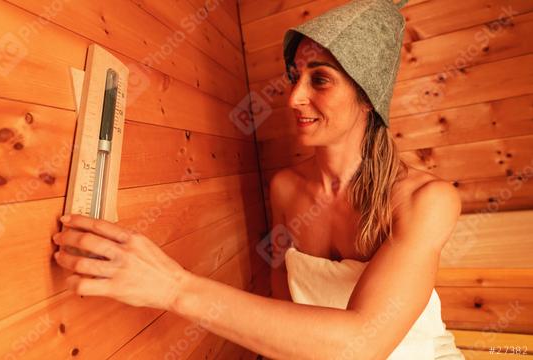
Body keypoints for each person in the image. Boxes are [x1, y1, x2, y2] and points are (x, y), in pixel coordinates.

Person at [52, 0, 465, 359]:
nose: (293, 97)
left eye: (319, 79)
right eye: (294, 76)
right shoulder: (285, 188)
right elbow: (281, 291)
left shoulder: (427, 199)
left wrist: (172, 288)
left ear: (367, 97)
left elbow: (362, 345)